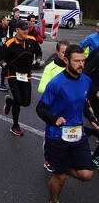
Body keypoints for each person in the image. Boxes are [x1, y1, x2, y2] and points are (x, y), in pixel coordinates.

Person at [36, 44, 98, 203]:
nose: (81, 65)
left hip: (77, 134)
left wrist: (91, 118)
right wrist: (53, 119)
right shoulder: (56, 83)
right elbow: (41, 108)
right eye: (76, 61)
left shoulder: (86, 81)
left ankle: (59, 165)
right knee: (60, 177)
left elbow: (82, 101)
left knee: (87, 174)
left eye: (83, 61)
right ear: (66, 60)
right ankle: (53, 200)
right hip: (57, 135)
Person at [1, 20, 42, 136]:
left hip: (26, 74)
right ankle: (15, 125)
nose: (25, 31)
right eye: (23, 29)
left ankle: (10, 102)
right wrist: (5, 65)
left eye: (26, 29)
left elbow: (38, 51)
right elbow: (1, 58)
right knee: (18, 100)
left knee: (26, 102)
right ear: (17, 30)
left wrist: (38, 61)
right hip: (13, 73)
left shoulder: (32, 40)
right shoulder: (9, 43)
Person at [37, 40, 70, 173]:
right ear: (57, 52)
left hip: (68, 108)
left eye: (68, 52)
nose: (66, 55)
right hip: (53, 109)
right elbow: (41, 88)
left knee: (67, 134)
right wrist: (59, 92)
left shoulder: (71, 66)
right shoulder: (51, 67)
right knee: (52, 135)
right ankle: (48, 159)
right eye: (63, 52)